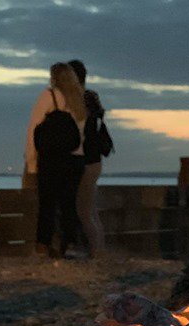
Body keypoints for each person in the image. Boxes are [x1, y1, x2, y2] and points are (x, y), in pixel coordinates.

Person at [24, 63, 86, 257]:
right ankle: (71, 245)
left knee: (47, 204)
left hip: (52, 160)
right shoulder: (78, 101)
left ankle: (43, 245)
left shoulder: (50, 96)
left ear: (54, 77)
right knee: (69, 204)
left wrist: (32, 162)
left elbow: (33, 130)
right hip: (76, 160)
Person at [68, 59, 106, 258]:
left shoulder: (78, 101)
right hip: (96, 161)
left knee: (83, 210)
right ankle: (99, 249)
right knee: (91, 209)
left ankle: (96, 252)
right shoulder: (92, 99)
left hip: (86, 162)